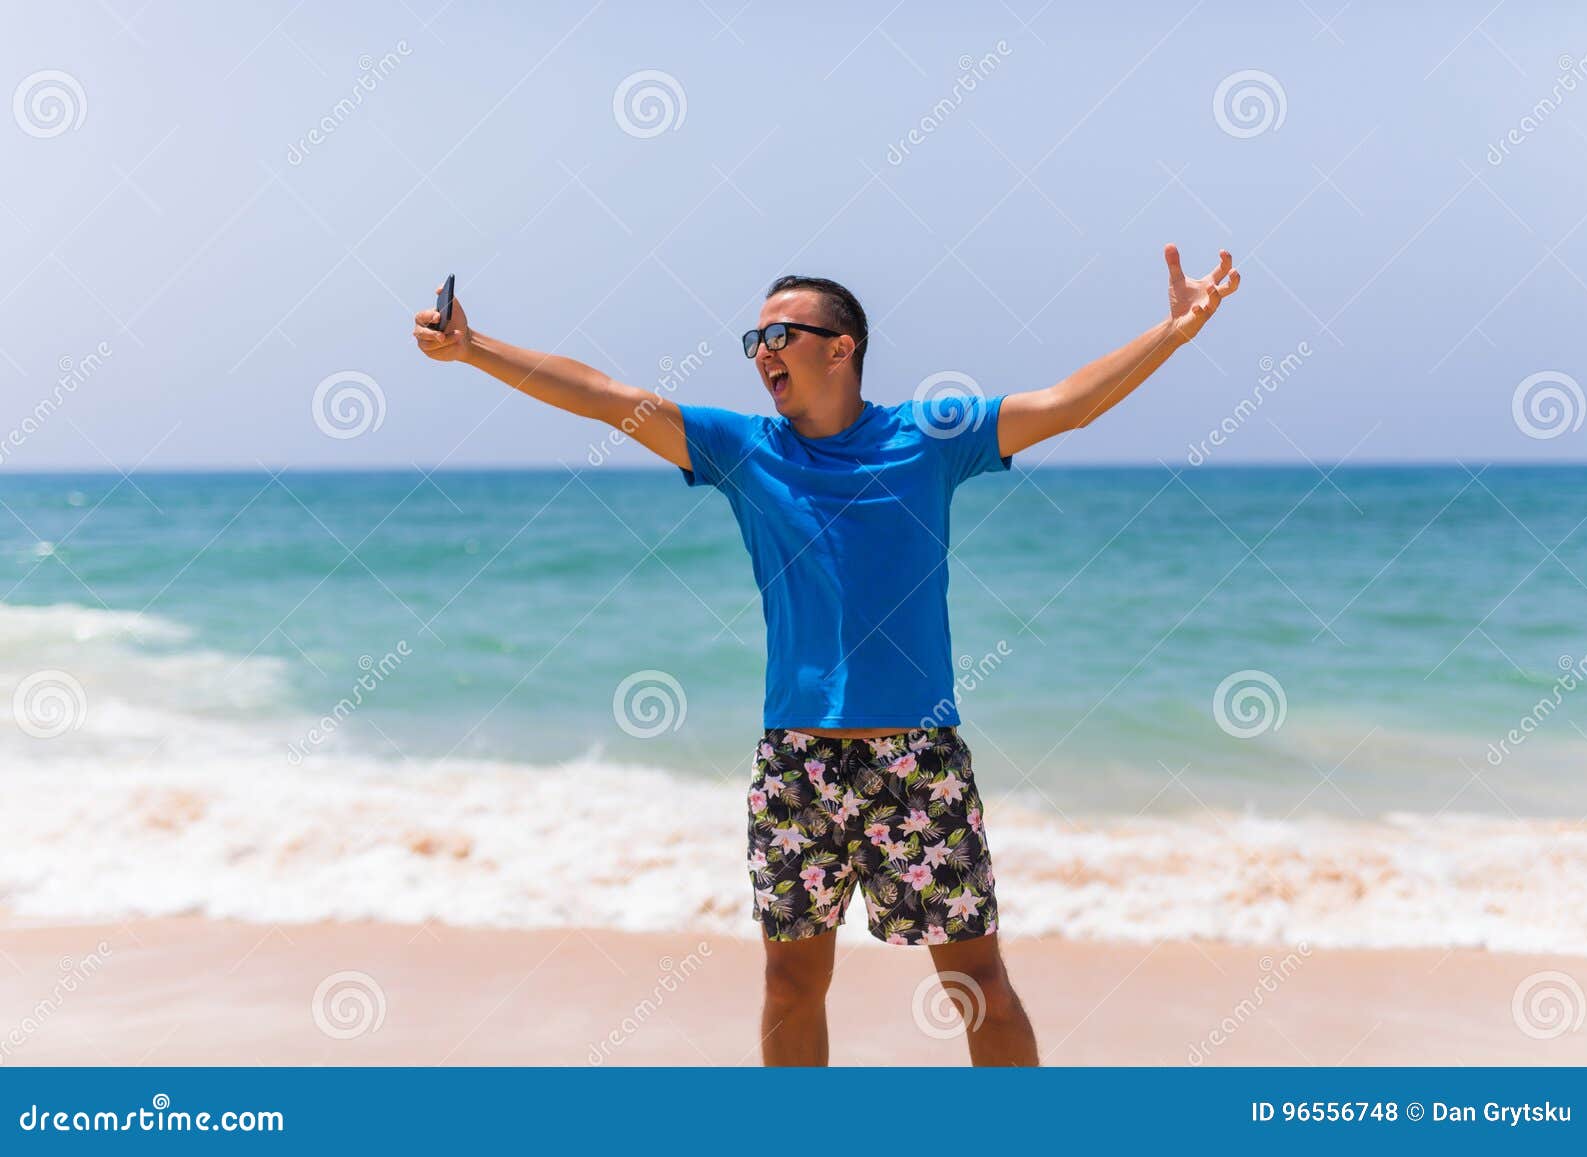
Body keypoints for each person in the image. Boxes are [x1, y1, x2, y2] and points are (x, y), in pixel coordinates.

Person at [412, 245, 1242, 1066]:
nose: (762, 352)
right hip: (796, 760)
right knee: (790, 983)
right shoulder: (745, 450)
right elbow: (606, 398)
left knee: (976, 979)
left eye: (782, 334)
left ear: (841, 346)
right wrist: (473, 347)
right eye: (755, 340)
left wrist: (1171, 333)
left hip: (917, 758)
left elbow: (1067, 404)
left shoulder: (930, 437)